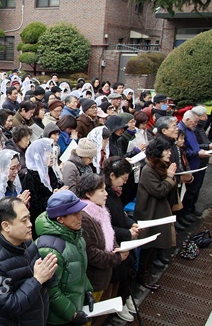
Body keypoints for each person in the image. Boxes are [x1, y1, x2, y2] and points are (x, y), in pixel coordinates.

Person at [0, 197, 58, 326]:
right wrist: (37, 280)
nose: (30, 224)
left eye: (29, 218)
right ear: (6, 226)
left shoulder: (27, 243)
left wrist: (49, 272)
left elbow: (44, 282)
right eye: (24, 220)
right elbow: (10, 306)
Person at [35, 190, 94, 326]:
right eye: (74, 214)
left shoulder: (75, 236)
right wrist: (71, 314)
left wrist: (87, 291)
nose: (80, 217)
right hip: (57, 319)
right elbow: (50, 290)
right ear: (60, 219)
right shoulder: (49, 249)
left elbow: (79, 271)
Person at [76, 173, 128, 311]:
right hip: (94, 278)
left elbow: (110, 235)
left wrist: (117, 248)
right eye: (101, 190)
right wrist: (117, 257)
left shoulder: (100, 210)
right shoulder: (85, 218)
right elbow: (91, 253)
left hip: (104, 273)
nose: (106, 194)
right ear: (88, 194)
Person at [134, 138, 177, 291]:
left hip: (157, 211)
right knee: (148, 245)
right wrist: (170, 178)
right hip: (149, 212)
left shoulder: (158, 166)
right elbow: (159, 191)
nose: (169, 152)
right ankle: (143, 274)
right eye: (167, 150)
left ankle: (147, 272)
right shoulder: (148, 169)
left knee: (153, 245)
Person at [102, 157, 140, 322]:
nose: (125, 183)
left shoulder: (115, 194)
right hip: (113, 244)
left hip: (121, 240)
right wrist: (127, 233)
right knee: (117, 277)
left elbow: (121, 216)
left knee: (127, 273)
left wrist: (131, 225)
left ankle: (124, 298)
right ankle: (119, 303)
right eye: (123, 179)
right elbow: (106, 227)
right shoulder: (105, 197)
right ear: (112, 175)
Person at [23, 138, 64, 232]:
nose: (52, 156)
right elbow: (35, 206)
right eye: (48, 154)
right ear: (39, 156)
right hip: (42, 222)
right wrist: (54, 197)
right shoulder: (30, 178)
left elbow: (55, 186)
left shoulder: (49, 170)